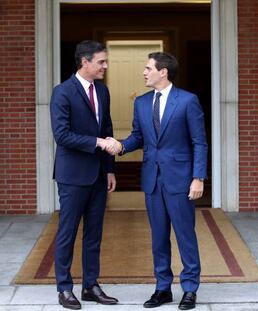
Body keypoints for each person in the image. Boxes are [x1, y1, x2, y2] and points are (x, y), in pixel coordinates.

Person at [107, 52, 207, 310]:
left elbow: (199, 142)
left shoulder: (187, 101)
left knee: (185, 235)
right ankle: (163, 288)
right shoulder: (141, 102)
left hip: (181, 179)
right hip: (152, 179)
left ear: (163, 72)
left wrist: (198, 177)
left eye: (148, 68)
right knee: (158, 237)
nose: (144, 72)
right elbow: (138, 137)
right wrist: (120, 146)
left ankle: (189, 289)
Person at [50, 40, 119, 310]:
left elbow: (108, 127)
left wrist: (110, 168)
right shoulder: (62, 92)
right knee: (67, 233)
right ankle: (64, 288)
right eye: (101, 61)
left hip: (99, 175)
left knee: (94, 234)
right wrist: (98, 143)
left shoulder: (102, 91)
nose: (105, 66)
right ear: (84, 62)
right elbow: (62, 135)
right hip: (72, 176)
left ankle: (90, 286)